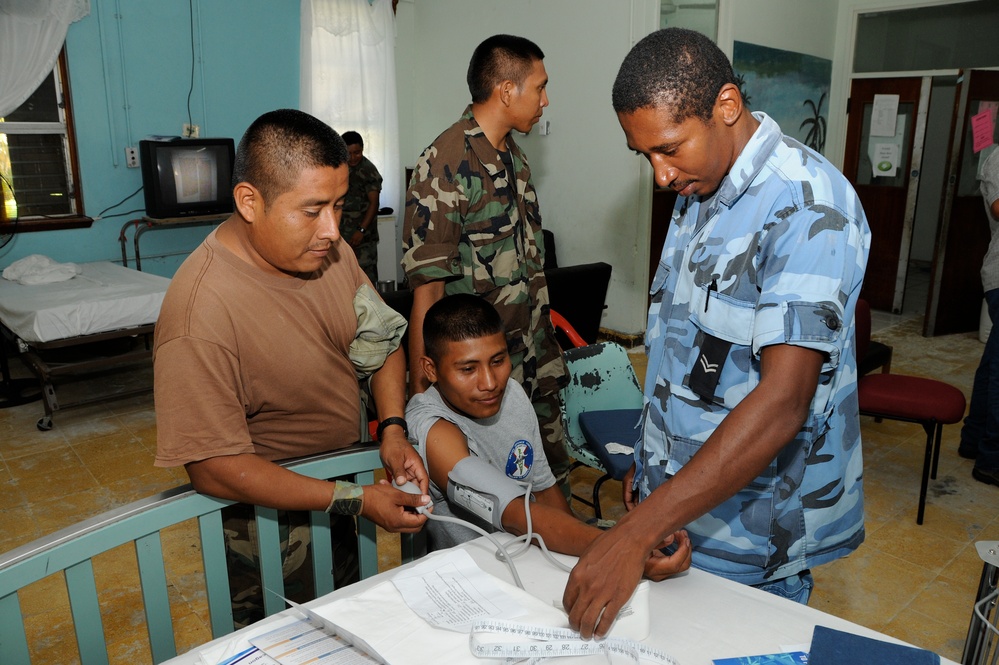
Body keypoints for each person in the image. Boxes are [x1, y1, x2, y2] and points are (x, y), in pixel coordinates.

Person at [562, 28, 871, 639]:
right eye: (643, 155)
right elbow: (689, 356)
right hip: (681, 509)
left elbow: (782, 402)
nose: (659, 175)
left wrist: (636, 532)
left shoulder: (807, 208)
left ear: (726, 107)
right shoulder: (700, 186)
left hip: (755, 534)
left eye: (669, 149)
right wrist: (652, 469)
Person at [153, 109, 430, 625]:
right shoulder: (202, 311)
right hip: (267, 525)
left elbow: (382, 339)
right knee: (285, 642)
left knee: (351, 628)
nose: (332, 229)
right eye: (312, 210)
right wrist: (355, 499)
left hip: (342, 491)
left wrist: (391, 428)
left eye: (339, 205)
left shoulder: (326, 251)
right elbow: (214, 467)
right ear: (249, 202)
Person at [406, 294, 692, 573]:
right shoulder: (431, 427)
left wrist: (593, 559)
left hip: (530, 561)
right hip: (472, 578)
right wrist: (620, 549)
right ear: (431, 370)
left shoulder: (512, 396)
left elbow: (544, 492)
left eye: (498, 360)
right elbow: (513, 511)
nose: (490, 382)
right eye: (468, 369)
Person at [402, 34, 572, 499]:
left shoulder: (513, 158)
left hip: (531, 363)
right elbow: (428, 295)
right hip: (480, 379)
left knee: (549, 488)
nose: (545, 100)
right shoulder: (445, 165)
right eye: (539, 87)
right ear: (505, 91)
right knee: (488, 506)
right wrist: (423, 402)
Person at [959, 146, 999, 486]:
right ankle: (993, 458)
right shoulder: (998, 157)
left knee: (993, 365)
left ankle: (975, 441)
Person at [340, 131, 383, 284]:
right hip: (342, 235)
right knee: (344, 278)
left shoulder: (368, 170)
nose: (353, 157)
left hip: (363, 237)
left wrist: (361, 230)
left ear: (363, 149)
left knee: (366, 280)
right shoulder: (340, 167)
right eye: (349, 153)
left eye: (357, 153)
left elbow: (374, 203)